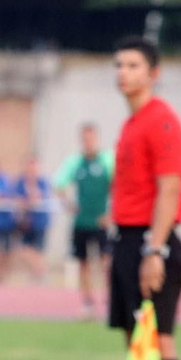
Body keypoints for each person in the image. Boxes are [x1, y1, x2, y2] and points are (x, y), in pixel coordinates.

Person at [105, 36, 181, 360]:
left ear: (153, 73)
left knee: (159, 341)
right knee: (137, 344)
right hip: (127, 239)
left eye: (133, 65)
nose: (124, 72)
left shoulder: (162, 120)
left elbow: (169, 188)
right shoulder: (131, 122)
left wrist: (154, 250)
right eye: (119, 65)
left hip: (150, 241)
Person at [55, 125, 114, 318]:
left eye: (91, 138)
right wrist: (69, 205)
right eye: (85, 139)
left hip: (100, 222)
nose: (88, 142)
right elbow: (58, 184)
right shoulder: (75, 162)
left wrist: (111, 214)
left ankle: (110, 298)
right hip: (81, 222)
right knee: (83, 263)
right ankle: (88, 302)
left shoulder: (106, 161)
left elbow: (118, 187)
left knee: (107, 261)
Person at [13, 154, 52, 284]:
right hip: (25, 222)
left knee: (37, 250)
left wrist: (31, 197)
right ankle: (38, 272)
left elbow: (39, 198)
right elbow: (17, 198)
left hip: (39, 221)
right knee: (24, 250)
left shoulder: (42, 182)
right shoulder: (21, 182)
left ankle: (40, 273)